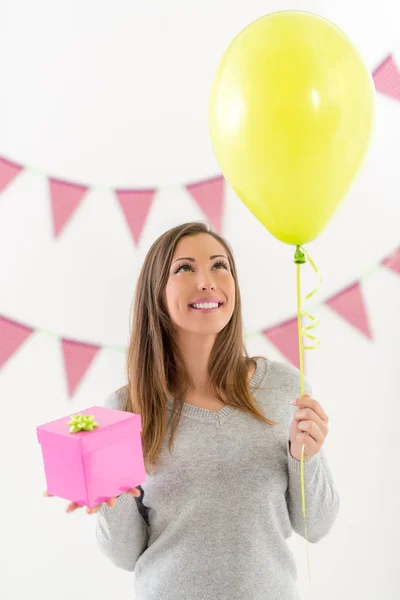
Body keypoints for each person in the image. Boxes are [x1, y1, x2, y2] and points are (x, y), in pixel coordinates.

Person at [45, 221, 339, 600]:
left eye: (220, 265)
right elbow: (125, 554)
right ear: (157, 294)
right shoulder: (124, 409)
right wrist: (106, 498)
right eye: (184, 268)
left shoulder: (284, 387)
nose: (207, 280)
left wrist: (306, 458)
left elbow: (316, 526)